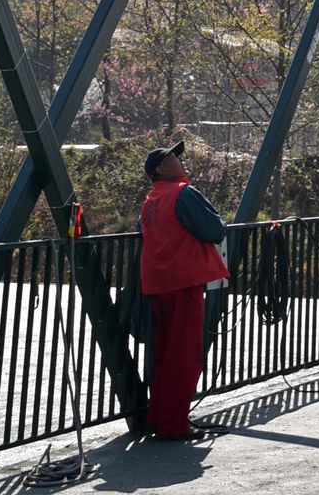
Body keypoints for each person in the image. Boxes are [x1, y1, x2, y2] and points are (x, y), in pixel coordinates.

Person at [138, 141, 228, 440]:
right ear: (162, 168)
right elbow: (214, 230)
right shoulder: (183, 193)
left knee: (163, 353)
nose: (180, 159)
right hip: (184, 281)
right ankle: (174, 425)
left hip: (158, 283)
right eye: (174, 157)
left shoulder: (150, 200)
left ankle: (158, 417)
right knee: (185, 354)